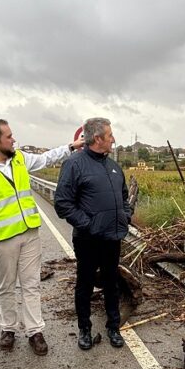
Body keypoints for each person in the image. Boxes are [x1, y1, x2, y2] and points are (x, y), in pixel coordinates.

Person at [0, 118, 83, 355]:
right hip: (1, 239)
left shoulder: (19, 159)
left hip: (29, 233)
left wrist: (71, 146)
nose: (14, 139)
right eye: (9, 136)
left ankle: (35, 331)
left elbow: (46, 158)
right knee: (5, 286)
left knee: (31, 284)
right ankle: (8, 328)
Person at [53, 118, 131, 351]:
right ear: (97, 138)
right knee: (85, 284)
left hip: (112, 238)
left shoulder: (113, 166)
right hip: (88, 239)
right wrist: (89, 224)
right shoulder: (75, 164)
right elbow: (62, 203)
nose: (113, 139)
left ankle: (113, 327)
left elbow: (124, 197)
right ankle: (84, 329)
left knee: (111, 282)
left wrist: (125, 216)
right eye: (110, 135)